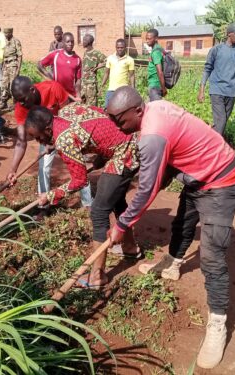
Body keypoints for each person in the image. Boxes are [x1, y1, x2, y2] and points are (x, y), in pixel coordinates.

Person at [106, 86, 235, 369]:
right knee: (182, 222)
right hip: (197, 176)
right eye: (112, 119)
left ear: (136, 110)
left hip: (223, 181)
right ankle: (172, 263)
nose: (117, 126)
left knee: (211, 255)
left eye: (119, 120)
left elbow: (147, 189)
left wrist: (123, 223)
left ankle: (218, 323)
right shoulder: (154, 107)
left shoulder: (152, 136)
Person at [26, 103, 141, 288]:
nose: (38, 142)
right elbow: (97, 123)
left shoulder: (64, 140)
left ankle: (97, 276)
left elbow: (80, 181)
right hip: (126, 139)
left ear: (48, 129)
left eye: (38, 137)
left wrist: (50, 195)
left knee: (98, 210)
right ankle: (130, 247)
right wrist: (100, 153)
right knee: (116, 198)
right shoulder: (66, 111)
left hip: (125, 152)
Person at [8, 76, 93, 212]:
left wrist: (61, 141)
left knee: (78, 165)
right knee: (43, 169)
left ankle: (88, 203)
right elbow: (21, 140)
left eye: (23, 99)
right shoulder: (20, 106)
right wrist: (13, 170)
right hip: (45, 139)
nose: (22, 104)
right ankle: (44, 205)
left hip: (67, 134)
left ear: (32, 90)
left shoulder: (53, 88)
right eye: (18, 101)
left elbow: (68, 116)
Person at [198, 23, 235, 136]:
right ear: (230, 35)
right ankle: (215, 149)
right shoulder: (216, 50)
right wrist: (202, 90)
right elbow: (207, 69)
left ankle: (207, 140)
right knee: (221, 121)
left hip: (231, 93)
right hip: (217, 91)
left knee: (221, 123)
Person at [38, 32, 82, 98]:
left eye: (72, 42)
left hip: (71, 96)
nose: (70, 44)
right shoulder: (56, 54)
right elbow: (40, 64)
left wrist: (78, 96)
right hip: (56, 93)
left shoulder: (77, 59)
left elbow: (78, 80)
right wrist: (49, 76)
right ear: (63, 42)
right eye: (68, 42)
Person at [101, 38, 135, 108]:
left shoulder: (130, 60)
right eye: (118, 47)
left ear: (125, 48)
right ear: (115, 47)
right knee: (107, 109)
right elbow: (106, 73)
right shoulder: (110, 58)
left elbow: (132, 76)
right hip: (111, 90)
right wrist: (102, 85)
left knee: (121, 110)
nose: (120, 49)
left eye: (122, 47)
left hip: (123, 91)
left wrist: (133, 89)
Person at [0, 27, 22, 110]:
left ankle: (15, 103)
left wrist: (18, 69)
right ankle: (3, 102)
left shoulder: (16, 41)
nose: (6, 35)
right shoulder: (5, 42)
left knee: (13, 85)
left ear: (11, 33)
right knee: (4, 85)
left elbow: (20, 56)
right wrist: (3, 65)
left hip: (13, 66)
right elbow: (4, 55)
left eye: (7, 33)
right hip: (6, 66)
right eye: (5, 33)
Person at [80, 34, 106, 106]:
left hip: (91, 84)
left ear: (88, 42)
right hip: (84, 83)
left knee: (92, 105)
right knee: (83, 104)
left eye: (84, 40)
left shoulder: (96, 53)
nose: (83, 42)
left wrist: (98, 67)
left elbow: (107, 61)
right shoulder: (86, 52)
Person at [145, 29, 167, 101]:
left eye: (149, 38)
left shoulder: (156, 52)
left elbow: (159, 72)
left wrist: (163, 88)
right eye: (146, 39)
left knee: (155, 110)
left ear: (156, 38)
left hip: (155, 86)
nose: (147, 41)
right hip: (154, 85)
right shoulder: (158, 49)